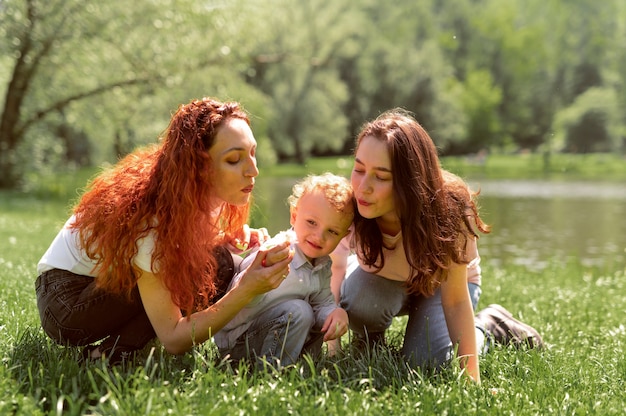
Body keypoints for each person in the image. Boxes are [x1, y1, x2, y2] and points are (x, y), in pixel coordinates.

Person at [35, 97, 294, 364]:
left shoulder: (197, 193)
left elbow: (192, 242)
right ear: (200, 166)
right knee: (203, 269)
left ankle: (117, 350)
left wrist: (227, 239)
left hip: (96, 286)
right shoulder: (153, 220)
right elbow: (174, 340)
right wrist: (246, 289)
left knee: (220, 262)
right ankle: (110, 355)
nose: (253, 170)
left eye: (252, 152)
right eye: (234, 160)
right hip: (66, 303)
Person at [331, 109, 543, 383]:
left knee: (425, 365)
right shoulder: (349, 204)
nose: (363, 187)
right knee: (358, 298)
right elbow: (331, 271)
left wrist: (472, 380)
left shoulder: (450, 207)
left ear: (410, 182)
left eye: (381, 177)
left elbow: (454, 300)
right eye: (359, 169)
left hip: (443, 285)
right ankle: (370, 342)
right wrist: (332, 352)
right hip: (388, 282)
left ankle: (489, 326)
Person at [215, 173, 354, 368]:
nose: (319, 236)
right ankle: (274, 372)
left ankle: (305, 366)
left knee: (312, 315)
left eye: (332, 231)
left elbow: (322, 303)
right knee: (300, 311)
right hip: (238, 342)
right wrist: (262, 270)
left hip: (273, 331)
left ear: (343, 236)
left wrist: (334, 313)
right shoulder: (277, 251)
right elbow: (239, 293)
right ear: (294, 216)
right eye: (312, 223)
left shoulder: (321, 264)